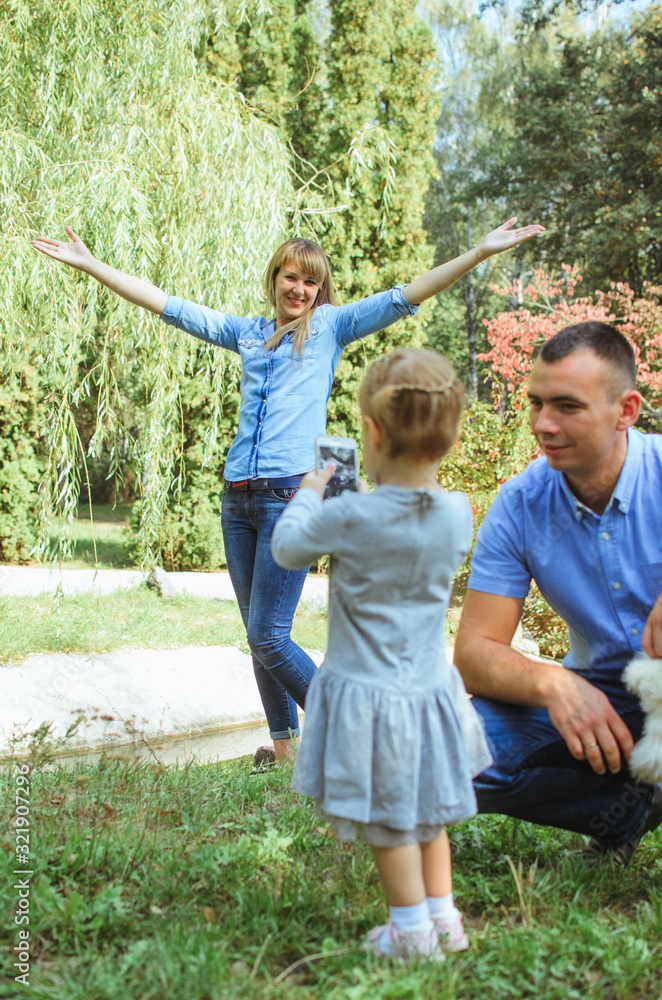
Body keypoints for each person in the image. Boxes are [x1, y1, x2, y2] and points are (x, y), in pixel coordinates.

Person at [31, 217, 544, 764]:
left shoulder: (330, 328)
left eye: (311, 282)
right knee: (258, 636)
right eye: (291, 278)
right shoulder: (247, 333)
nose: (300, 289)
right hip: (238, 498)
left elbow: (407, 295)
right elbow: (168, 305)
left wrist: (478, 252)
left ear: (321, 290)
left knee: (269, 635)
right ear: (275, 278)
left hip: (287, 495)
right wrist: (91, 264)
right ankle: (284, 752)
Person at [270, 348, 492, 960]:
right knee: (426, 813)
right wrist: (362, 498)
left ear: (370, 431)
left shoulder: (348, 515)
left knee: (390, 820)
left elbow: (287, 548)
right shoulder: (458, 512)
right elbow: (401, 522)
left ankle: (410, 932)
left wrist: (312, 492)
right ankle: (444, 920)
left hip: (370, 697)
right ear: (450, 439)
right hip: (430, 691)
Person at [453, 321, 662, 866]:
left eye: (567, 406)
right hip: (605, 695)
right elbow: (474, 653)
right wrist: (554, 684)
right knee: (438, 753)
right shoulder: (520, 504)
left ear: (626, 410)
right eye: (537, 403)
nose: (543, 424)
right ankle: (627, 808)